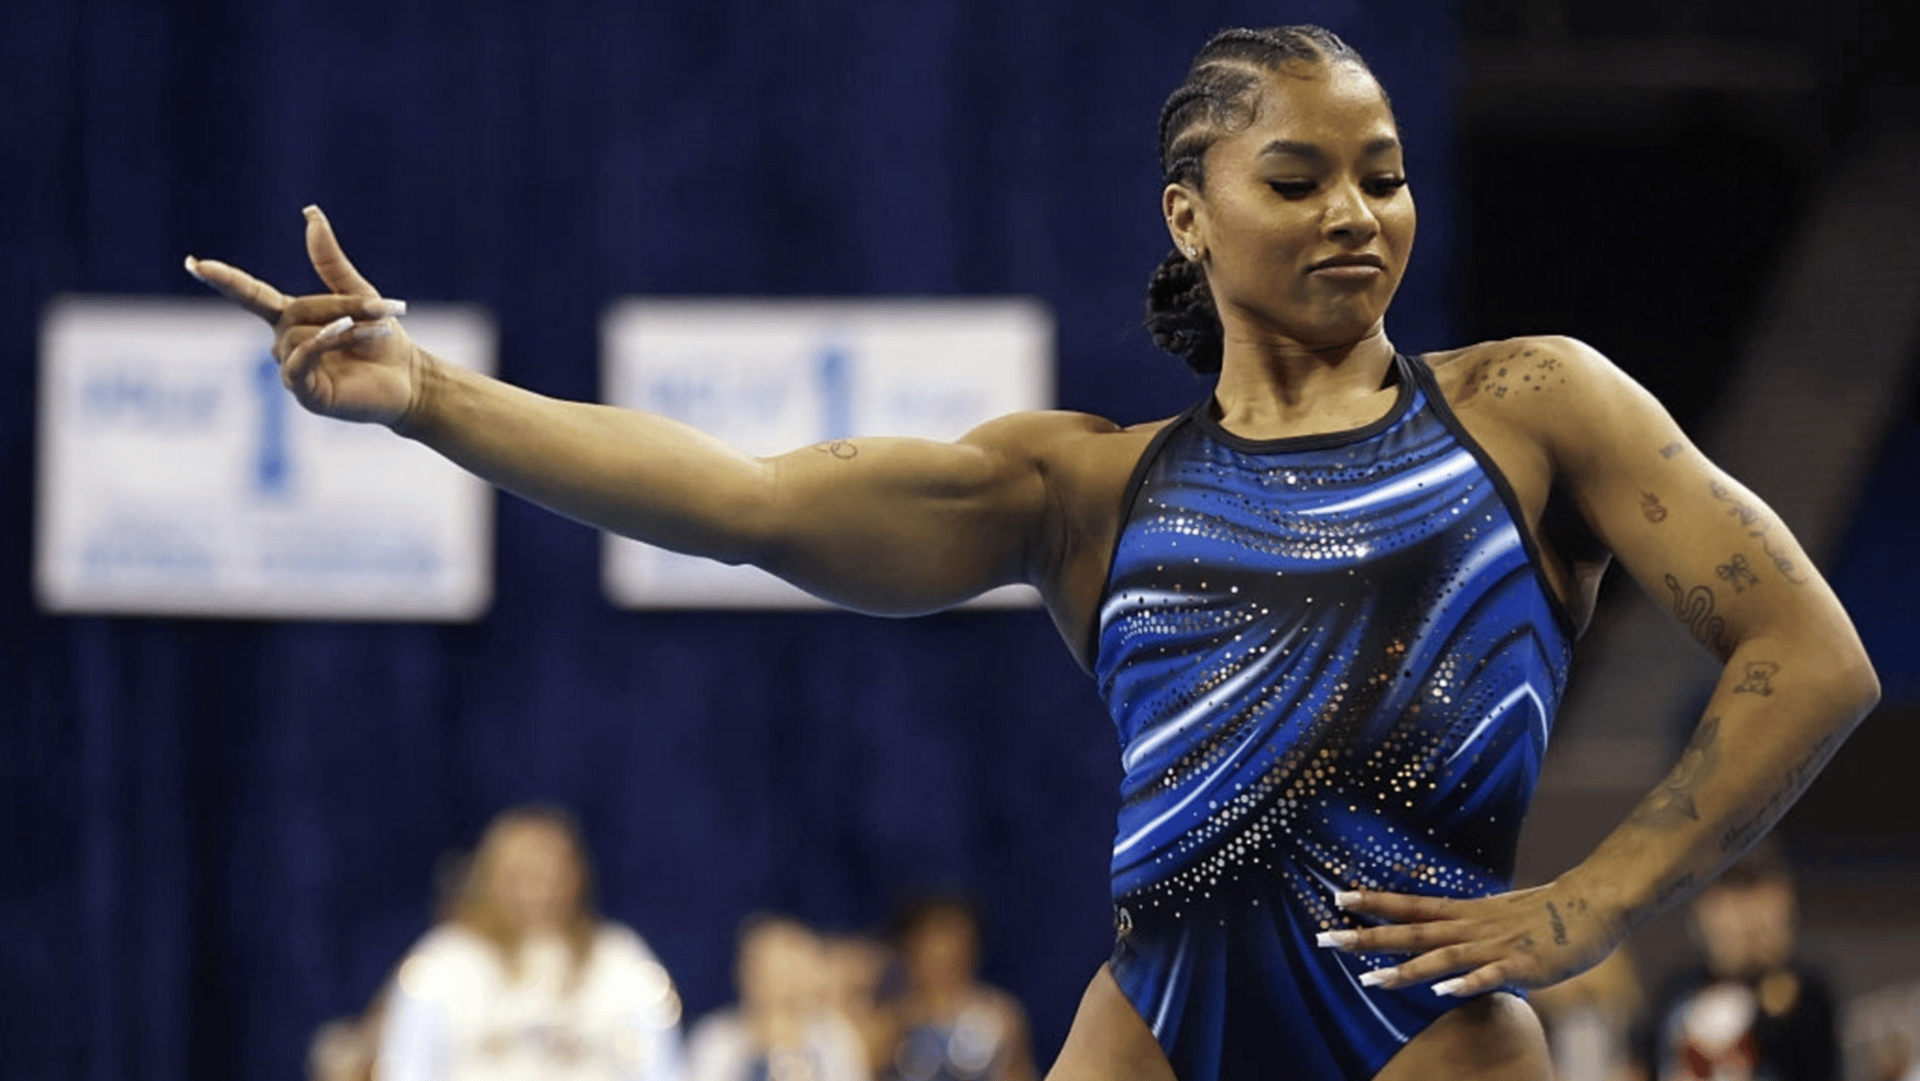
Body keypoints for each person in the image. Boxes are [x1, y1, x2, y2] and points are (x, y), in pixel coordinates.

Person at [185, 23, 1879, 1081]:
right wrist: (425, 394)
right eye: (1298, 178)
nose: (1357, 211)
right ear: (1190, 214)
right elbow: (745, 500)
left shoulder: (1529, 410)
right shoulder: (1085, 489)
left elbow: (1812, 654)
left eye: (1383, 172)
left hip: (1422, 1042)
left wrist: (1596, 897)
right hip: (1148, 1032)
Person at [375, 806, 686, 1081]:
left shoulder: (619, 959)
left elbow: (661, 1070)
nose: (537, 891)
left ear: (576, 877)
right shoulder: (442, 963)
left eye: (549, 875)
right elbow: (405, 1068)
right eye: (520, 876)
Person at [1636, 841, 1838, 1081]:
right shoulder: (1676, 987)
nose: (1745, 912)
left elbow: (1806, 1050)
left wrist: (1774, 966)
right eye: (1731, 892)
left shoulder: (1806, 991)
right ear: (1703, 905)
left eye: (1755, 891)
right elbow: (1639, 1063)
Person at [685, 913, 872, 1081]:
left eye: (778, 973)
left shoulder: (831, 1037)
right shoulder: (717, 1037)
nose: (758, 982)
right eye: (753, 968)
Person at [880, 896, 1037, 1081]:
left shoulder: (1001, 1018)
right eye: (933, 945)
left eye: (955, 944)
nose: (944, 955)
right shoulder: (888, 1019)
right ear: (911, 948)